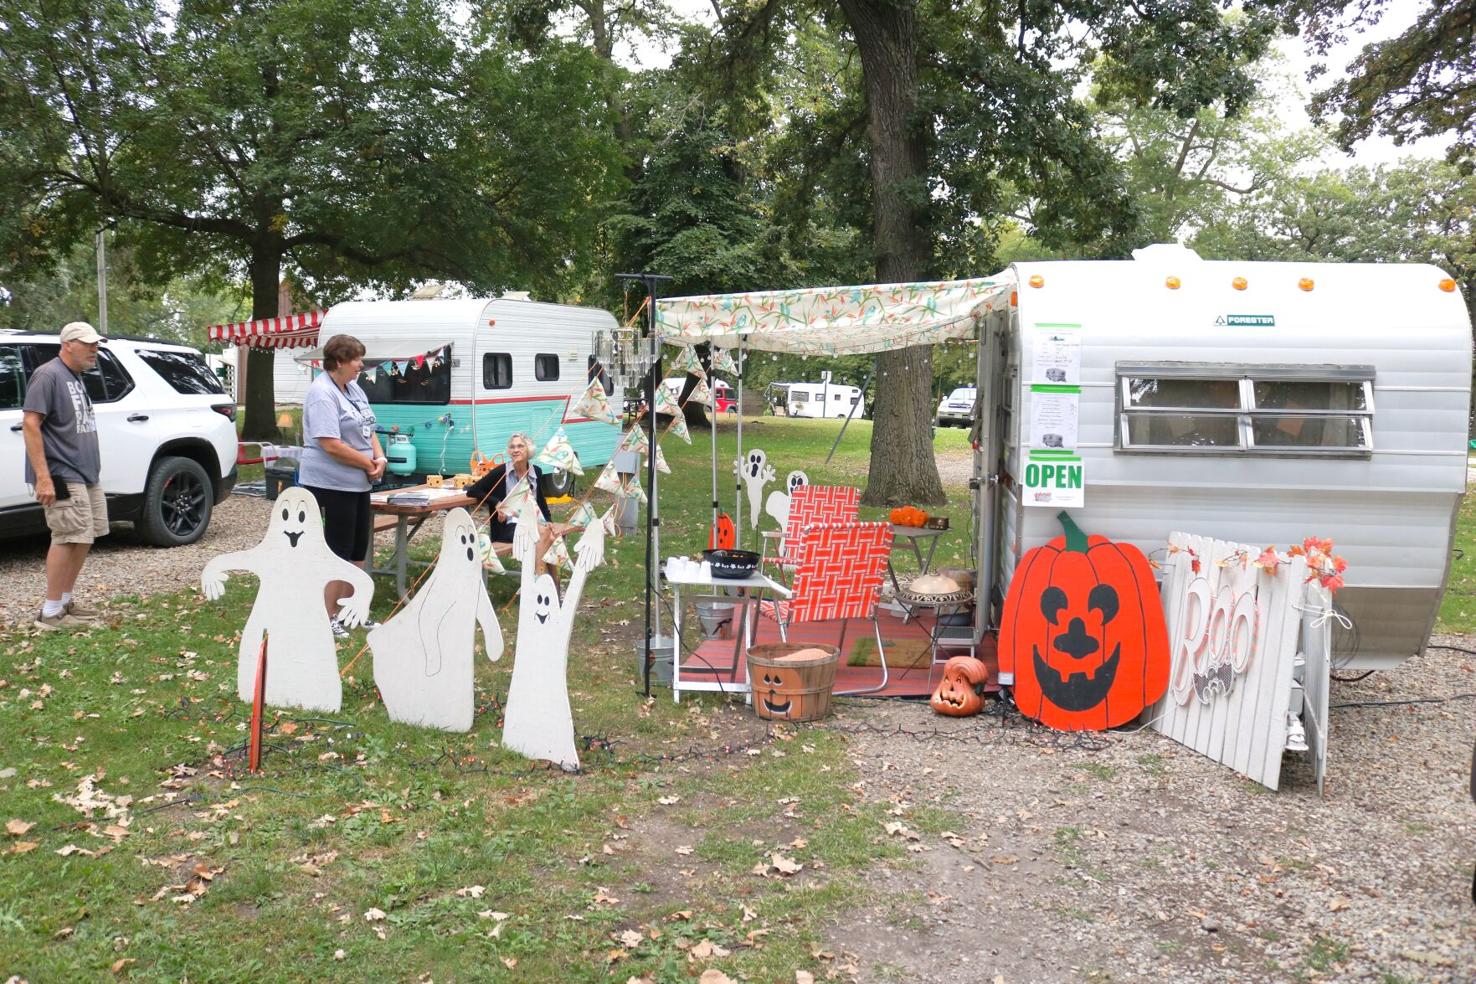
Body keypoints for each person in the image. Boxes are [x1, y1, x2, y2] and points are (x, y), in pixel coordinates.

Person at [298, 334, 387, 638]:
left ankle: (353, 609)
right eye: (356, 360)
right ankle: (328, 615)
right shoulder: (322, 393)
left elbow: (368, 428)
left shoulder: (354, 388)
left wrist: (380, 457)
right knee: (338, 550)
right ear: (338, 362)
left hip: (358, 482)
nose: (361, 365)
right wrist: (367, 465)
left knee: (358, 548)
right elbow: (330, 444)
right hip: (331, 482)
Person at [22, 321, 108, 631]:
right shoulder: (48, 375)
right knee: (66, 537)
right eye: (88, 344)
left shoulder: (74, 376)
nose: (94, 349)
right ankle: (50, 613)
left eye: (96, 343)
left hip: (85, 473)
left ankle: (65, 602)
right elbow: (31, 424)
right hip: (61, 471)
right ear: (68, 344)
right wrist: (43, 478)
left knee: (85, 536)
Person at [465, 433, 563, 572]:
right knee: (543, 533)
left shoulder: (536, 471)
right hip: (508, 527)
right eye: (512, 447)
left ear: (529, 449)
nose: (515, 450)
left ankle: (553, 586)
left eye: (520, 446)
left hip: (534, 522)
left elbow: (541, 502)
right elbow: (473, 490)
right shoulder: (501, 472)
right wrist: (497, 502)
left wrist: (548, 520)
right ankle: (536, 578)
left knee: (553, 536)